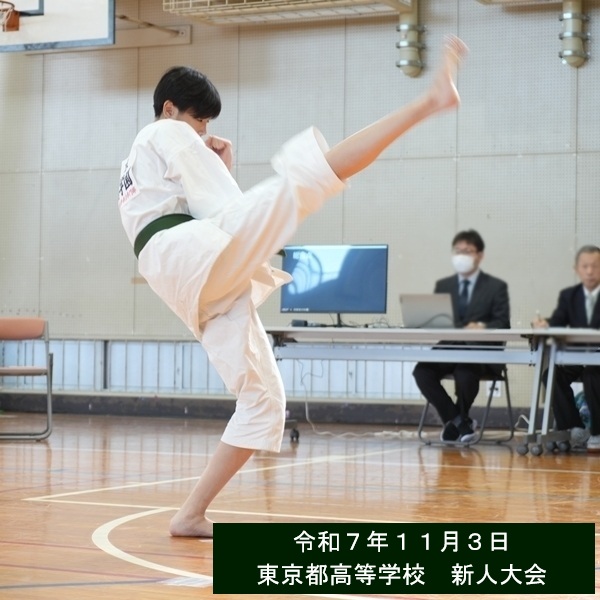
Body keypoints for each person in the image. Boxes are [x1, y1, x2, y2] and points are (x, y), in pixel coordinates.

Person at [118, 35, 468, 538]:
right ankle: (428, 102)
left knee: (264, 400)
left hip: (186, 274)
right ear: (170, 108)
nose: (204, 132)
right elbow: (224, 206)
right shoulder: (164, 131)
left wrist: (224, 173)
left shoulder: (138, 158)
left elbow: (214, 209)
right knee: (309, 176)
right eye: (200, 121)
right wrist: (222, 169)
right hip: (188, 254)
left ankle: (189, 513)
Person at [412, 229, 510, 443]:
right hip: (450, 346)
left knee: (465, 374)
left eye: (467, 251)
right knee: (422, 371)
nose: (461, 256)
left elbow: (503, 323)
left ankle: (456, 422)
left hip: (480, 349)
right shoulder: (444, 285)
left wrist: (482, 326)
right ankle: (459, 421)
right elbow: (440, 320)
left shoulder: (496, 287)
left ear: (479, 255)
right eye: (458, 251)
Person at [532, 245, 600, 453]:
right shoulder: (569, 296)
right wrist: (544, 324)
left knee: (592, 375)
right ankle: (573, 427)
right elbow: (558, 321)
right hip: (578, 356)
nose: (590, 271)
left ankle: (597, 431)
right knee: (551, 375)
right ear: (576, 269)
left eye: (595, 266)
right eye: (585, 266)